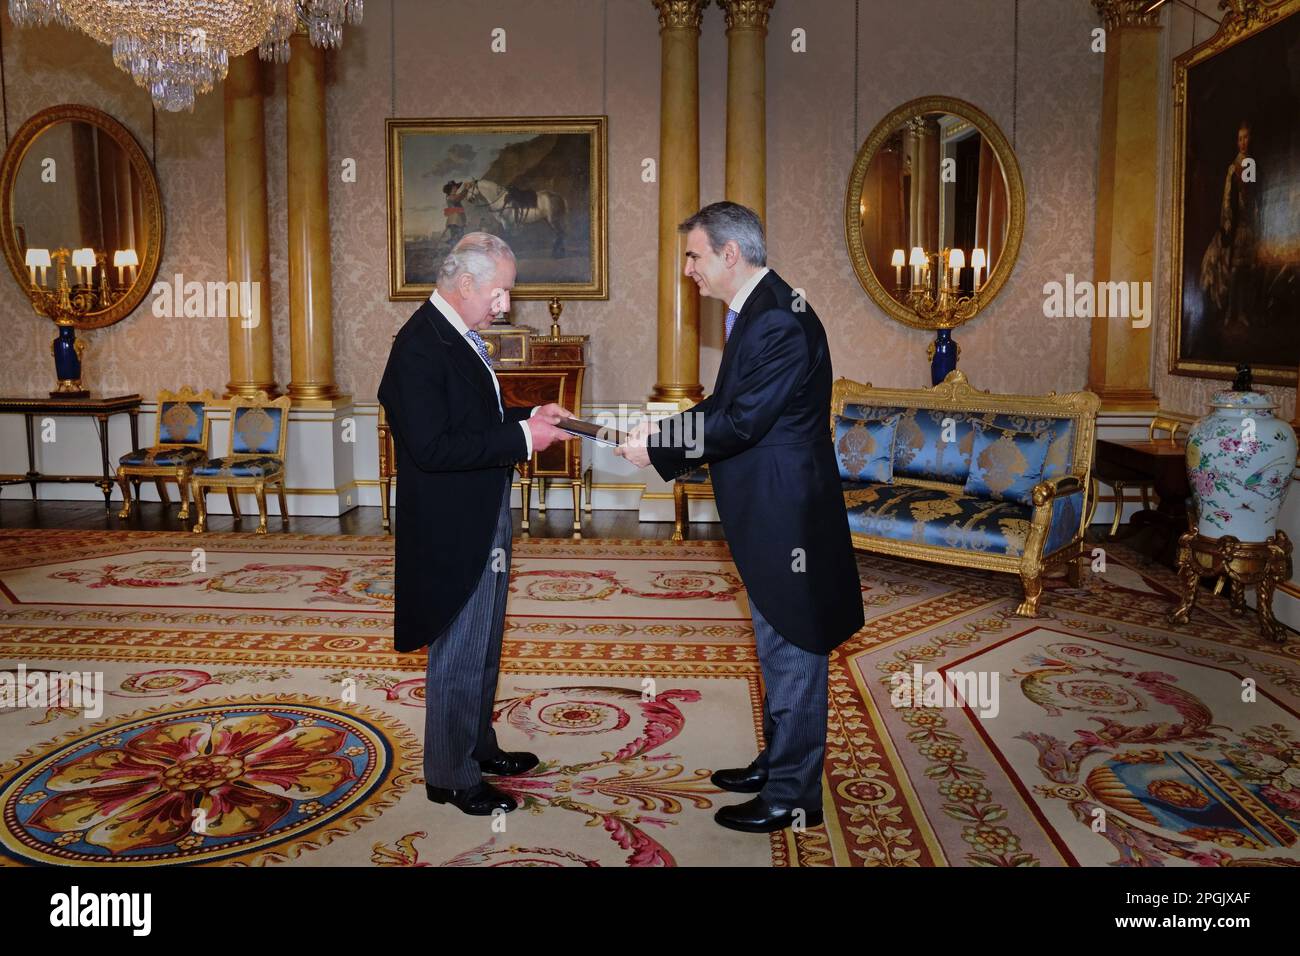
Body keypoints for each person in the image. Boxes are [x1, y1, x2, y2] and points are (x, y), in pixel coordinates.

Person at [617, 201, 865, 833]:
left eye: (694, 256)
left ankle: (791, 794)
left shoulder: (777, 318)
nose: (689, 271)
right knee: (774, 634)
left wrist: (658, 446)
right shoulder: (761, 307)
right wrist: (662, 431)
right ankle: (778, 761)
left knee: (793, 642)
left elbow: (741, 422)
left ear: (730, 254)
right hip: (770, 505)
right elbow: (725, 404)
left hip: (785, 512)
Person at [378, 232, 573, 816]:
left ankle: (477, 746)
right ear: (465, 284)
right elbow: (435, 447)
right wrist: (521, 438)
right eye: (501, 291)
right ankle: (450, 774)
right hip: (449, 524)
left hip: (479, 508)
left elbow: (473, 420)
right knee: (460, 646)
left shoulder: (457, 336)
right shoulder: (418, 346)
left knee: (485, 641)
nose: (505, 304)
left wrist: (527, 417)